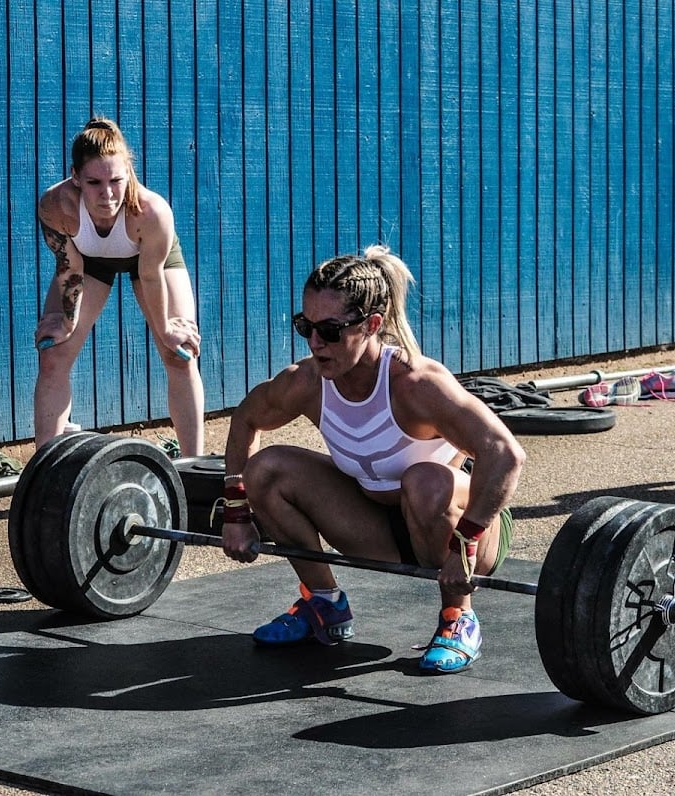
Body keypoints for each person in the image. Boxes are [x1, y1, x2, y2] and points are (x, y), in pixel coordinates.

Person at [220, 245, 526, 674]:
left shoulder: (416, 384)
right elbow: (245, 420)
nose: (314, 342)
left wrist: (466, 543)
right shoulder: (307, 381)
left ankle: (460, 617)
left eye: (329, 330)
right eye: (305, 326)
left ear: (372, 325)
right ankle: (322, 604)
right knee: (267, 470)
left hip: (465, 530)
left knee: (425, 480)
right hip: (376, 526)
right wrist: (236, 511)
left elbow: (505, 454)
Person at [32, 116, 204, 453]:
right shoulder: (56, 206)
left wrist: (166, 329)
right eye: (94, 182)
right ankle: (45, 472)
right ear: (75, 176)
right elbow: (71, 269)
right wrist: (66, 323)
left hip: (151, 262)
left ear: (129, 174)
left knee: (180, 354)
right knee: (52, 352)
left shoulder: (153, 213)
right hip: (87, 265)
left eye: (116, 180)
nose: (107, 194)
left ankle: (193, 467)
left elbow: (151, 275)